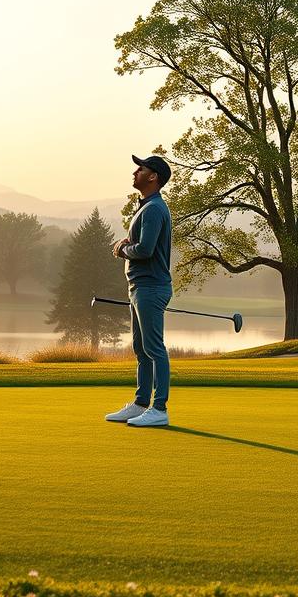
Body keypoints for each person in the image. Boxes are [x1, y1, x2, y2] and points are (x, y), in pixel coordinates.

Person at [104, 154, 173, 428]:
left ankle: (159, 408)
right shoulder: (147, 207)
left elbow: (145, 250)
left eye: (141, 168)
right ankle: (141, 403)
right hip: (140, 287)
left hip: (151, 287)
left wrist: (122, 250)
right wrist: (128, 242)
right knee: (141, 348)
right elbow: (142, 243)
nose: (135, 172)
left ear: (153, 176)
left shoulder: (154, 208)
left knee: (154, 348)